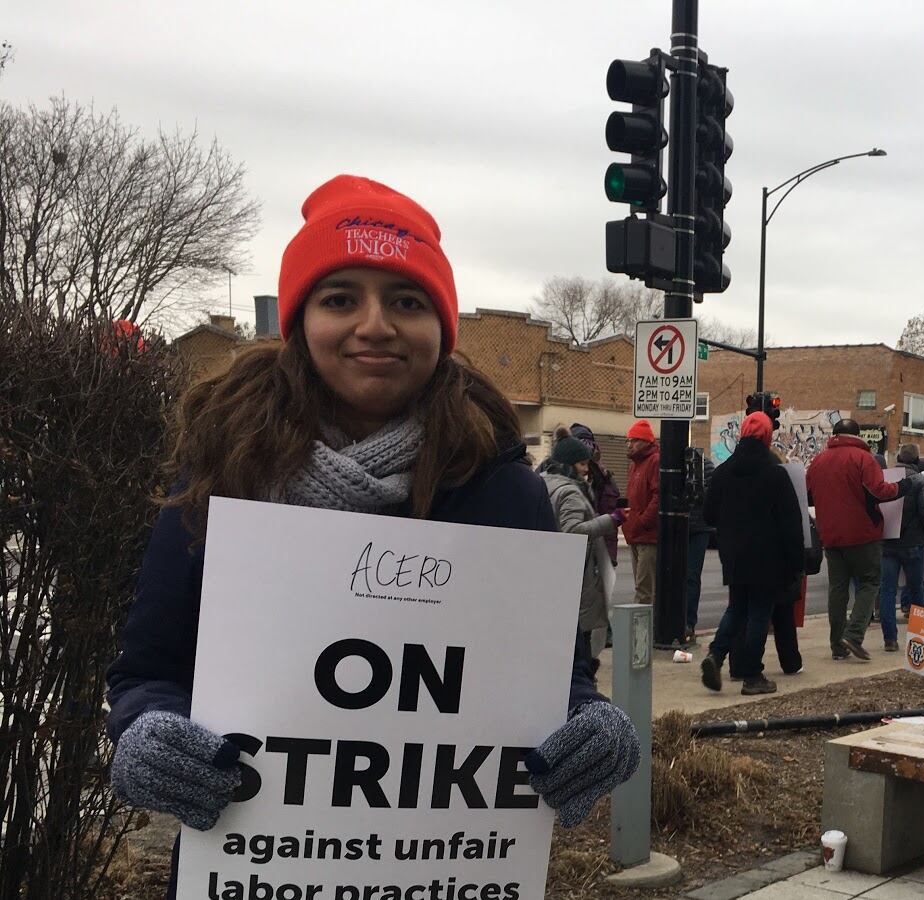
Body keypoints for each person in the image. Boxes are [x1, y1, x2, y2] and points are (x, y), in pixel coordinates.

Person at [104, 176, 639, 893]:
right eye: (340, 298)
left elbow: (556, 675)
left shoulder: (505, 488)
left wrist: (591, 724)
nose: (376, 324)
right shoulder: (223, 475)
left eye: (407, 301)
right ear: (300, 322)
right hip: (257, 870)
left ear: (441, 330)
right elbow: (149, 671)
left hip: (448, 873)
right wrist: (147, 735)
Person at [701, 413, 805, 695]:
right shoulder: (775, 474)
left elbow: (709, 513)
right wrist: (797, 560)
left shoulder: (723, 472)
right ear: (768, 437)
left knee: (736, 608)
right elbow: (791, 522)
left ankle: (716, 654)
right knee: (759, 612)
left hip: (733, 553)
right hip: (768, 556)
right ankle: (752, 675)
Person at [806, 419, 904, 660]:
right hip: (862, 533)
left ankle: (837, 645)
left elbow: (808, 496)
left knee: (837, 590)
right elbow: (878, 490)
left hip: (830, 535)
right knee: (870, 582)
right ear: (858, 435)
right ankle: (854, 634)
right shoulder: (863, 459)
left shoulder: (818, 461)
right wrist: (901, 487)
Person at [538, 436, 627, 661]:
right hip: (577, 574)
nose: (587, 470)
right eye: (582, 464)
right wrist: (612, 520)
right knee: (580, 645)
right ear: (568, 465)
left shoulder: (543, 483)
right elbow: (572, 532)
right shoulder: (569, 492)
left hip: (549, 572)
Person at [880, 444, 924, 648]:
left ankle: (890, 639)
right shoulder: (921, 481)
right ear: (916, 459)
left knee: (887, 591)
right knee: (916, 590)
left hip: (888, 542)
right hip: (913, 542)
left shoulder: (885, 477)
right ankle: (920, 638)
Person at [622, 419, 670, 647]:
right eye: (628, 440)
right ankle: (644, 634)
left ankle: (639, 639)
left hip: (647, 536)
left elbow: (657, 496)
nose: (629, 445)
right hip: (636, 534)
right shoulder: (635, 465)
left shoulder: (654, 462)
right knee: (643, 587)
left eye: (634, 440)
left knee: (645, 590)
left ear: (645, 441)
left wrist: (640, 522)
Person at [564, 423, 622, 565]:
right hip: (564, 553)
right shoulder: (555, 476)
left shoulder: (602, 478)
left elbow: (607, 524)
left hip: (593, 553)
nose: (584, 468)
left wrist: (609, 558)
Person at [683, 444, 717, 643]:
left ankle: (689, 623)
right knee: (686, 577)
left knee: (691, 576)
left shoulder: (706, 468)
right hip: (687, 527)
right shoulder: (671, 466)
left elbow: (708, 497)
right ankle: (684, 622)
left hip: (698, 528)